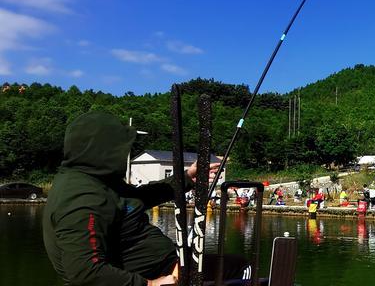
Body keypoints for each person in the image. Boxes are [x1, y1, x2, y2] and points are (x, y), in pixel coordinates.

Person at [43, 111, 246, 286]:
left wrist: (186, 179)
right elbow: (84, 271)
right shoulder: (81, 198)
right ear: (103, 149)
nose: (126, 153)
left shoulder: (99, 180)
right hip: (157, 276)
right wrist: (149, 284)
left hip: (171, 266)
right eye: (122, 149)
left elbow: (136, 199)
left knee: (240, 267)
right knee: (243, 271)